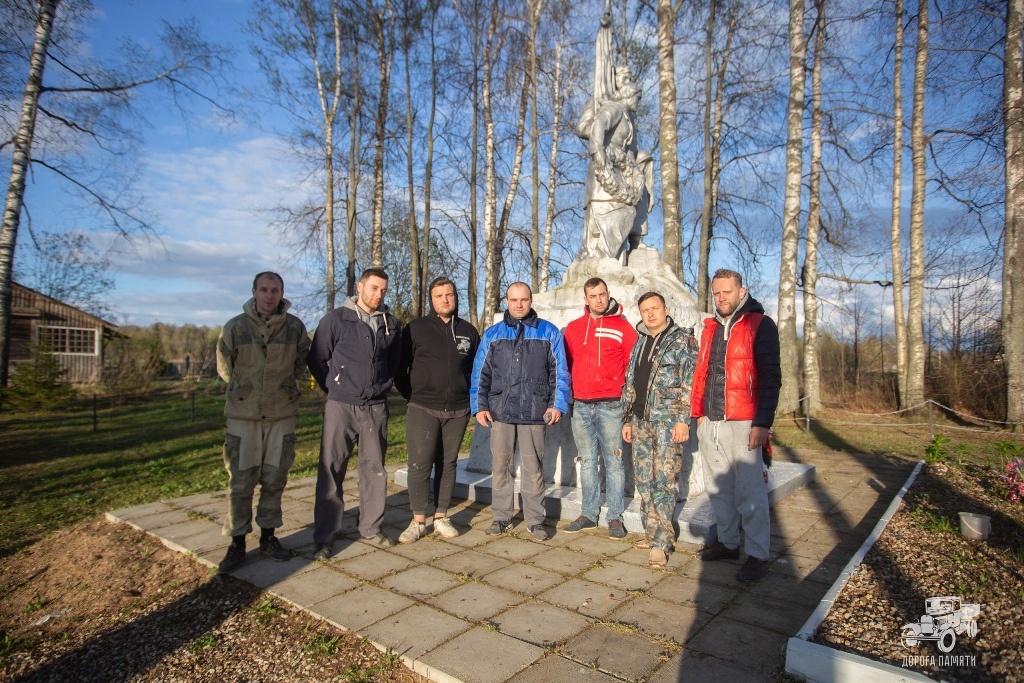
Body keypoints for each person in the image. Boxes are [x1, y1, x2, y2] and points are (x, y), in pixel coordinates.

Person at [215, 272, 310, 574]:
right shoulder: (235, 327)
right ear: (254, 292)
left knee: (274, 478)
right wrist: (246, 390)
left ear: (282, 293)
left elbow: (302, 362)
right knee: (241, 481)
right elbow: (224, 367)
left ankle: (268, 537)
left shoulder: (294, 327)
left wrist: (284, 387)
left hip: (281, 415)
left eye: (275, 290)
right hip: (244, 417)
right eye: (264, 290)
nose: (270, 295)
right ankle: (237, 543)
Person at [691, 269, 781, 582]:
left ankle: (757, 554)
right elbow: (702, 372)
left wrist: (762, 422)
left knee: (750, 493)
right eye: (716, 293)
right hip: (711, 419)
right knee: (719, 490)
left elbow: (771, 377)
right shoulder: (710, 328)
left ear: (742, 291)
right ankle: (728, 543)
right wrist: (699, 413)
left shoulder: (760, 324)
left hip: (745, 422)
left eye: (727, 292)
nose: (721, 298)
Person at [308, 268, 401, 559]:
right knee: (332, 469)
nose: (378, 294)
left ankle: (371, 527)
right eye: (374, 288)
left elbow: (394, 362)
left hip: (375, 406)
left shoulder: (390, 324)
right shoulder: (336, 319)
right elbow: (317, 358)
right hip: (341, 406)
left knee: (374, 469)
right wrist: (335, 386)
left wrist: (383, 385)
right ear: (359, 287)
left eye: (383, 290)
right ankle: (325, 537)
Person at [470, 282, 570, 541]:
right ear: (506, 301)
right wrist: (479, 406)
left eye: (523, 299)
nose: (518, 305)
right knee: (500, 467)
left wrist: (557, 404)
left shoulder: (548, 332)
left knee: (533, 468)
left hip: (534, 411)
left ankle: (535, 520)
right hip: (500, 411)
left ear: (530, 300)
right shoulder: (493, 334)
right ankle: (501, 517)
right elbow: (480, 373)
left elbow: (560, 372)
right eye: (513, 300)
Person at [394, 277, 480, 543]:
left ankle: (441, 517)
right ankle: (418, 521)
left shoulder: (468, 330)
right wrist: (414, 394)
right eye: (439, 295)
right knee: (420, 463)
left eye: (449, 294)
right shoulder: (416, 328)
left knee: (448, 463)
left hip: (458, 409)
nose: (445, 299)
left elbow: (476, 370)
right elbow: (399, 368)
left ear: (456, 297)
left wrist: (468, 398)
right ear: (431, 300)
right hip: (423, 406)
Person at [621, 292, 698, 568]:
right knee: (644, 480)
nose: (650, 314)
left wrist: (683, 420)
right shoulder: (640, 342)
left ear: (666, 309)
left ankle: (661, 544)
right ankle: (651, 532)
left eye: (655, 308)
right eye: (645, 310)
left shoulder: (682, 340)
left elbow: (690, 383)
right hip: (640, 421)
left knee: (664, 481)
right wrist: (627, 419)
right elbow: (631, 383)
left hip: (668, 422)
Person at [562, 277, 638, 539]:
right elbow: (565, 366)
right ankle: (588, 514)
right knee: (586, 462)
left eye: (602, 294)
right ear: (585, 299)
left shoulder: (622, 327)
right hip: (581, 407)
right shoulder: (573, 329)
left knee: (614, 463)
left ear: (609, 294)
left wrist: (629, 408)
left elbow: (632, 366)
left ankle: (614, 517)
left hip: (611, 406)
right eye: (593, 296)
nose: (598, 300)